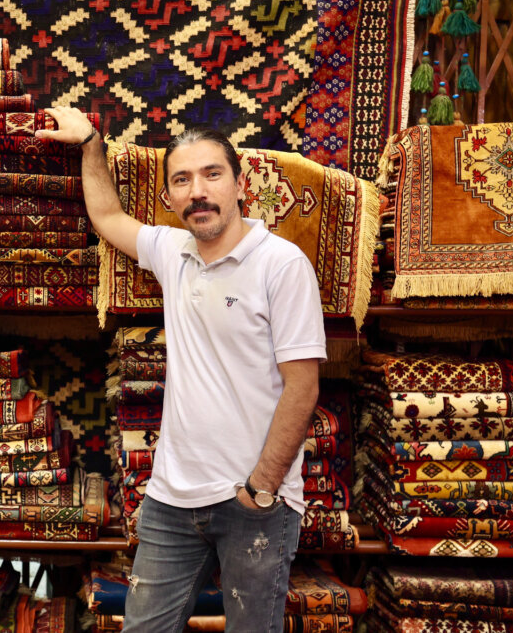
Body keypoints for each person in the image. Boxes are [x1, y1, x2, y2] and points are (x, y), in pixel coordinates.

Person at [37, 109, 326, 633]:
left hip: (255, 501)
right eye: (182, 180)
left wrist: (261, 489)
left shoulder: (281, 266)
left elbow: (302, 388)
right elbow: (107, 218)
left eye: (212, 174)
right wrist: (90, 145)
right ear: (170, 198)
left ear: (240, 185)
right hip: (171, 500)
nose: (198, 191)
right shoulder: (174, 253)